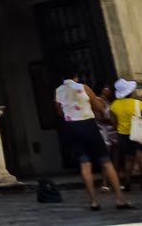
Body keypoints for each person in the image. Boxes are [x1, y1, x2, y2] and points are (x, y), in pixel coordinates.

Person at [56, 67, 132, 211]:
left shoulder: (59, 91)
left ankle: (93, 201)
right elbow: (99, 107)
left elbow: (60, 112)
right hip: (88, 125)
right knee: (106, 161)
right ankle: (119, 198)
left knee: (85, 163)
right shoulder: (83, 87)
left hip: (71, 127)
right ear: (76, 77)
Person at [110, 77, 142, 191]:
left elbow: (114, 124)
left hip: (123, 134)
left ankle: (127, 182)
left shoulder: (114, 105)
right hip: (139, 133)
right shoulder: (139, 104)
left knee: (129, 159)